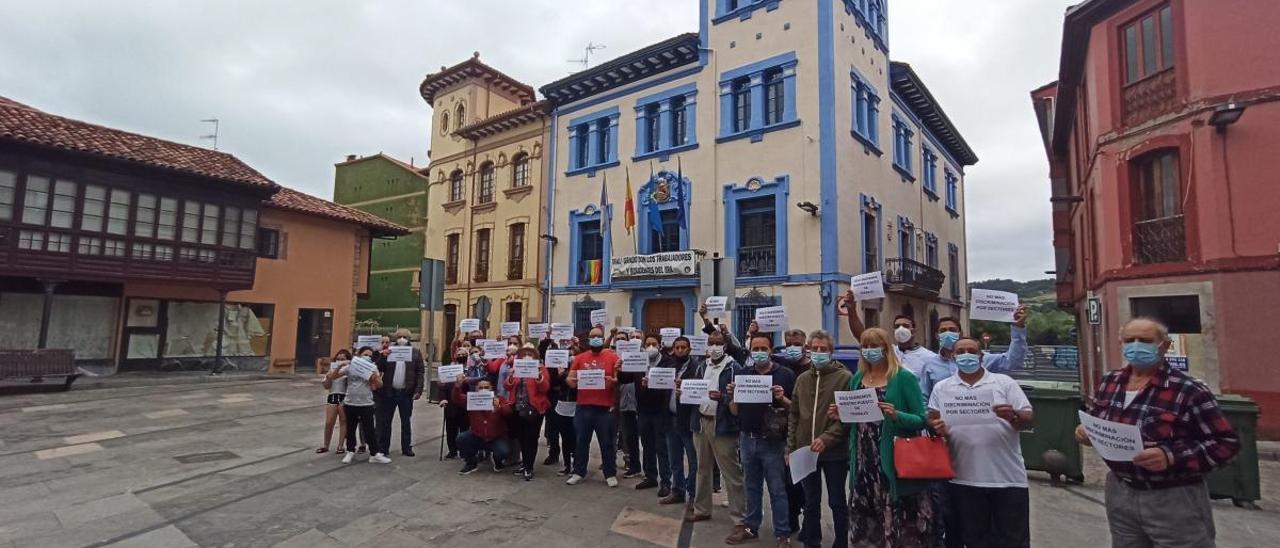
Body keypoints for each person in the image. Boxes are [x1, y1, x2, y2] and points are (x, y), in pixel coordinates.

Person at [1075, 317, 1239, 548]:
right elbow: (1098, 420)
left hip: (1173, 496)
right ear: (1121, 343)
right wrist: (1087, 431)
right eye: (1130, 340)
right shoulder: (1109, 383)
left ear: (1164, 345)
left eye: (1145, 340)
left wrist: (1171, 456)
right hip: (1121, 492)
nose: (1136, 346)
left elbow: (1226, 444)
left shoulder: (1189, 390)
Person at [926, 335, 1035, 548]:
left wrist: (1013, 416)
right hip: (962, 481)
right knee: (973, 540)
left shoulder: (1004, 383)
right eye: (960, 352)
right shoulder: (942, 388)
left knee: (1012, 542)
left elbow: (1028, 419)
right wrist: (936, 428)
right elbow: (932, 418)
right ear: (953, 356)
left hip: (1007, 480)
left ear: (981, 355)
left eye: (971, 351)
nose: (966, 356)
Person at [837, 328, 933, 546]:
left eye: (875, 346)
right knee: (866, 526)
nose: (869, 351)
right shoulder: (858, 378)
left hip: (892, 463)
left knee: (896, 527)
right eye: (865, 346)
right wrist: (841, 414)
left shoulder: (903, 378)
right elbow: (854, 421)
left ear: (886, 348)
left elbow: (921, 419)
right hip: (863, 463)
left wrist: (896, 415)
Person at [729, 334, 797, 546]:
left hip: (774, 441)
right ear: (750, 351)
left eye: (763, 348)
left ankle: (783, 534)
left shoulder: (785, 374)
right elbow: (734, 411)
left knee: (777, 489)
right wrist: (732, 396)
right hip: (747, 439)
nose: (759, 352)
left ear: (770, 350)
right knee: (752, 486)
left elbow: (796, 409)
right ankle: (751, 526)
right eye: (755, 348)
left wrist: (782, 398)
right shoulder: (743, 374)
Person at [788, 329, 852, 548]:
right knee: (811, 502)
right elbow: (794, 415)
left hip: (835, 452)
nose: (818, 353)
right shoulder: (802, 379)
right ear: (808, 350)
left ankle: (841, 542)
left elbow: (848, 417)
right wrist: (791, 447)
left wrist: (827, 438)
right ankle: (812, 542)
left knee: (837, 501)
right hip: (806, 452)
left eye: (823, 349)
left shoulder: (844, 378)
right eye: (814, 349)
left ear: (831, 352)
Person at [687, 329, 750, 544]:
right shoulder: (701, 366)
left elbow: (739, 399)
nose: (714, 347)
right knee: (702, 469)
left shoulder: (734, 368)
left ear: (725, 345)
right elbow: (694, 391)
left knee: (731, 473)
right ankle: (702, 508)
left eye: (718, 343)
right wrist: (684, 392)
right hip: (701, 422)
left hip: (723, 426)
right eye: (711, 343)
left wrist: (722, 397)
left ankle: (740, 520)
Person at [920, 308, 1028, 399]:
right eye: (943, 331)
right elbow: (924, 397)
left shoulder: (984, 358)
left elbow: (1013, 361)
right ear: (936, 335)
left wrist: (1018, 329)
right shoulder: (930, 365)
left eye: (952, 330)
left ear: (960, 333)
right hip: (945, 421)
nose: (948, 333)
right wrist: (931, 420)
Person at [566, 326, 621, 487]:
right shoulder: (580, 358)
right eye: (593, 336)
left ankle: (610, 474)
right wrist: (573, 381)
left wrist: (613, 381)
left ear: (603, 338)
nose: (595, 339)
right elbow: (570, 379)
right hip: (584, 406)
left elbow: (618, 379)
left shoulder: (612, 356)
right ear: (589, 340)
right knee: (581, 441)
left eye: (598, 336)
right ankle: (578, 471)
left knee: (607, 443)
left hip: (605, 408)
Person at [840, 291, 937, 381]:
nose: (901, 329)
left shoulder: (930, 357)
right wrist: (852, 310)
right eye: (897, 326)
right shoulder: (888, 352)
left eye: (906, 326)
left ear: (914, 331)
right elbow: (862, 336)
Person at [625, 334, 673, 494]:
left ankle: (666, 481)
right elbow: (626, 378)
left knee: (662, 446)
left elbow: (667, 386)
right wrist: (620, 367)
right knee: (647, 445)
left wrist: (651, 384)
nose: (651, 347)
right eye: (648, 344)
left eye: (654, 344)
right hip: (643, 410)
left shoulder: (667, 362)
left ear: (660, 345)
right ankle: (650, 476)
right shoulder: (639, 361)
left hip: (660, 411)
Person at [375, 329, 424, 457]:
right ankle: (383, 447)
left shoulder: (415, 352)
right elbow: (379, 367)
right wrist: (383, 356)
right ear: (395, 338)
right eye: (399, 336)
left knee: (406, 422)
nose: (402, 339)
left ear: (409, 339)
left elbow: (420, 372)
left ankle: (406, 447)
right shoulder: (389, 351)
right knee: (386, 421)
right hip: (389, 392)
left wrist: (418, 390)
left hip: (406, 393)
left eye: (405, 337)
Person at [505, 343, 551, 481]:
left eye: (529, 354)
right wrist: (512, 377)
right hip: (518, 408)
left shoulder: (541, 368)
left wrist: (538, 376)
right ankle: (524, 464)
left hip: (534, 409)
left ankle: (529, 467)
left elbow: (545, 388)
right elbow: (507, 386)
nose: (526, 357)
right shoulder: (516, 367)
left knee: (531, 439)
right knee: (521, 438)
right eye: (524, 354)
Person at [663, 336, 700, 506]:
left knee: (693, 461)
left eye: (683, 347)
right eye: (677, 347)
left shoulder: (696, 367)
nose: (679, 350)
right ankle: (677, 490)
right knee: (674, 460)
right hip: (671, 420)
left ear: (689, 349)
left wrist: (685, 387)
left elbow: (700, 391)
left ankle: (692, 494)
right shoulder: (669, 367)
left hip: (688, 422)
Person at [332, 347, 384, 464]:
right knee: (350, 429)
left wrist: (374, 376)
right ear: (360, 355)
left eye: (370, 356)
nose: (367, 357)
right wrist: (341, 365)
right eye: (365, 355)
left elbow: (379, 385)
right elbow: (334, 376)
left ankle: (374, 453)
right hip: (351, 402)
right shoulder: (351, 367)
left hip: (366, 403)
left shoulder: (372, 367)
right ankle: (350, 451)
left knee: (369, 430)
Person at [454, 376, 514, 474]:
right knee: (461, 439)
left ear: (491, 388)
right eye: (480, 388)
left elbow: (509, 412)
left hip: (496, 437)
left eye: (486, 387)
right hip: (477, 435)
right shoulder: (472, 399)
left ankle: (498, 461)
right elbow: (457, 399)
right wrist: (457, 386)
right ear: (476, 389)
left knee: (504, 451)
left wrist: (499, 407)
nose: (483, 390)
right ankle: (471, 462)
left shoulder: (499, 399)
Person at [542, 335, 577, 475]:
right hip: (556, 399)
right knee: (554, 428)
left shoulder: (576, 366)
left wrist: (564, 374)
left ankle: (576, 463)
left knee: (573, 434)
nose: (569, 356)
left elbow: (573, 384)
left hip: (573, 402)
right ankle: (557, 455)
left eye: (572, 354)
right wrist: (547, 339)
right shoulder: (553, 363)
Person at [440, 344, 473, 459]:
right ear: (455, 356)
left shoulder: (470, 370)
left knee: (464, 429)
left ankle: (464, 451)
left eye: (463, 355)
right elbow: (443, 387)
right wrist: (443, 398)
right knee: (451, 430)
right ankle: (452, 450)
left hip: (464, 405)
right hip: (450, 404)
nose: (461, 356)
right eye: (459, 354)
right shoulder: (449, 368)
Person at [318, 349, 351, 454]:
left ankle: (341, 446)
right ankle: (325, 445)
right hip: (333, 396)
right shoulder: (332, 371)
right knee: (329, 422)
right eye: (338, 359)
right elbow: (326, 386)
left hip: (344, 397)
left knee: (343, 422)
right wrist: (328, 376)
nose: (340, 361)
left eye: (343, 359)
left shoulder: (348, 371)